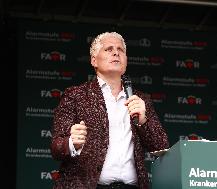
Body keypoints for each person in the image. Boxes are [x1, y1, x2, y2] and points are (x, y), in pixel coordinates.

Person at [50, 31, 169, 189]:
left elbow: (161, 147)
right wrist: (72, 143)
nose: (116, 52)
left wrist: (143, 121)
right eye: (109, 49)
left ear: (126, 61)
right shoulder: (75, 95)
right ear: (94, 60)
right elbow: (56, 148)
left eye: (121, 50)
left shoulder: (140, 99)